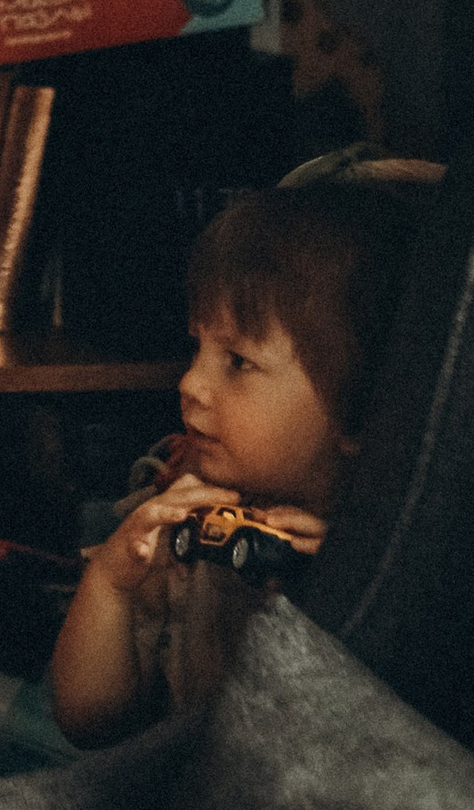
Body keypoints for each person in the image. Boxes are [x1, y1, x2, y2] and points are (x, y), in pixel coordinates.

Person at [48, 167, 435, 747]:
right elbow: (89, 722)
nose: (190, 384)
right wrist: (110, 582)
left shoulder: (401, 559)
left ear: (360, 403)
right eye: (197, 347)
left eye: (237, 362)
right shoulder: (182, 518)